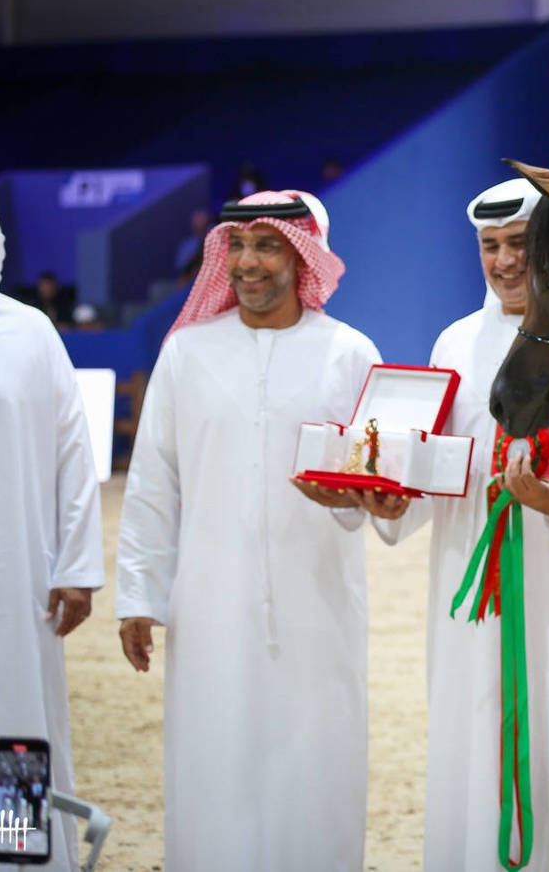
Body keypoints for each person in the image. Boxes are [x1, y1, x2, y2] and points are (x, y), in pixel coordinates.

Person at [363, 179, 549, 871]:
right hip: (473, 604)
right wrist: (395, 502)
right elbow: (443, 467)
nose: (503, 261)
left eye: (519, 244)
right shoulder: (454, 343)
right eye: (490, 245)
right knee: (471, 753)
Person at [115, 190, 383, 872]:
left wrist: (369, 501)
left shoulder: (349, 354)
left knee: (316, 766)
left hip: (320, 608)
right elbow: (154, 482)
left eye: (266, 246)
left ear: (303, 258)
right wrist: (139, 595)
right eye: (235, 246)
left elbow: (380, 483)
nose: (246, 262)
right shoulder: (187, 353)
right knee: (215, 762)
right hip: (210, 610)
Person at [0, 190, 104, 872]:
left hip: (15, 581)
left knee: (14, 717)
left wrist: (76, 568)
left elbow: (73, 454)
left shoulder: (29, 333)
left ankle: (15, 856)